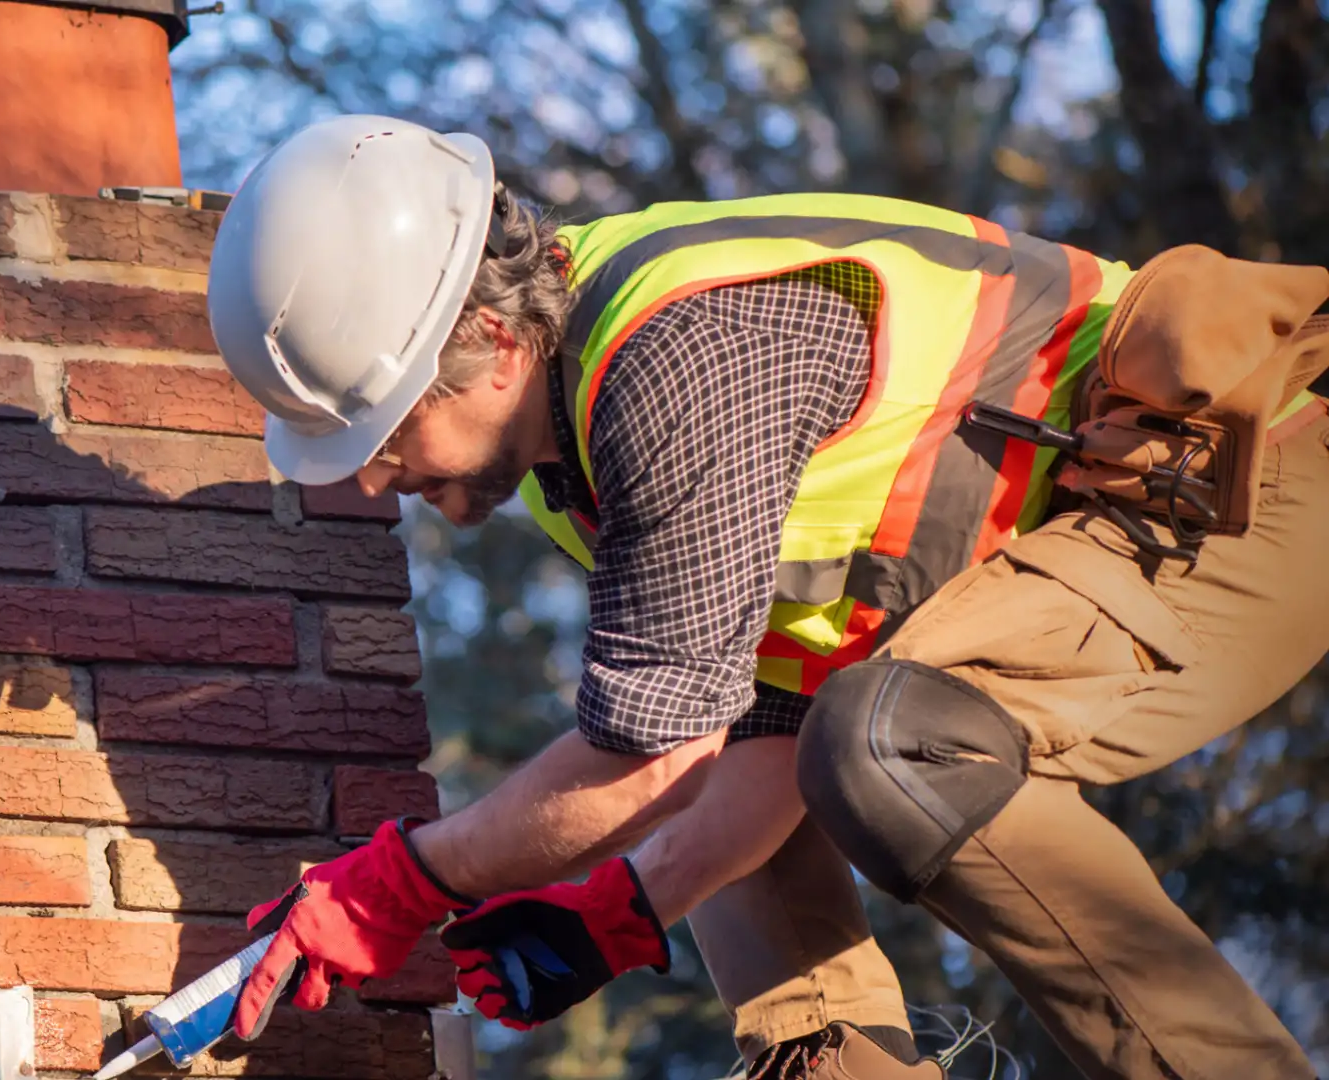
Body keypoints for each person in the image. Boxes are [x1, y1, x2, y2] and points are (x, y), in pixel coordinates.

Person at [202, 114, 1329, 1080]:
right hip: (1053, 565)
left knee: (880, 745)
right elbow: (756, 729)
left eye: (384, 426)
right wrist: (625, 909)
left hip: (1240, 487)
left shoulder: (675, 361)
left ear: (492, 341)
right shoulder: (560, 449)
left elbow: (652, 751)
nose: (369, 475)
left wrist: (395, 887)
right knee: (792, 730)